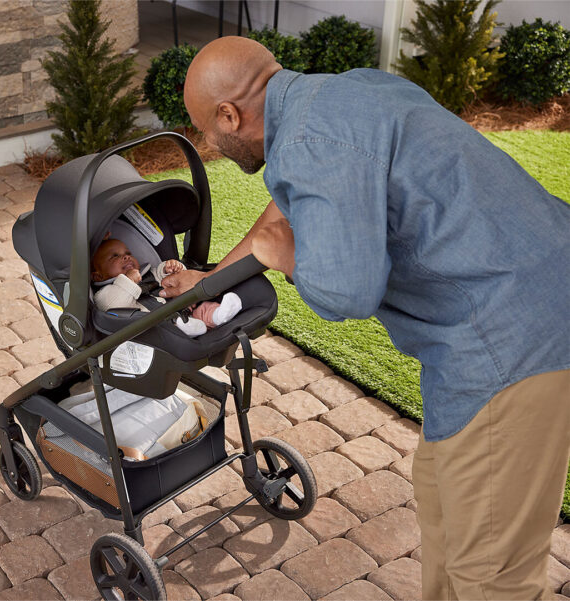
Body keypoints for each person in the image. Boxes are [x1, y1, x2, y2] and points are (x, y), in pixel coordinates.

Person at [161, 35, 570, 600]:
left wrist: (285, 258)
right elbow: (286, 208)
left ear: (229, 115)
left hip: (509, 335)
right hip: (534, 284)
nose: (208, 141)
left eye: (205, 128)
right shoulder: (344, 92)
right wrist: (208, 282)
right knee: (440, 499)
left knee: (492, 572)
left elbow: (345, 290)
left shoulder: (307, 145)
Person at [91, 237, 242, 337]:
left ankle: (219, 315)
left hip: (181, 308)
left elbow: (166, 280)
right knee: (177, 322)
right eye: (115, 256)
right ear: (98, 276)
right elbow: (113, 305)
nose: (126, 256)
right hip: (157, 326)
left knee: (202, 308)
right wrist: (128, 281)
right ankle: (187, 327)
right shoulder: (104, 294)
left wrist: (169, 269)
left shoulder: (147, 273)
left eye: (128, 253)